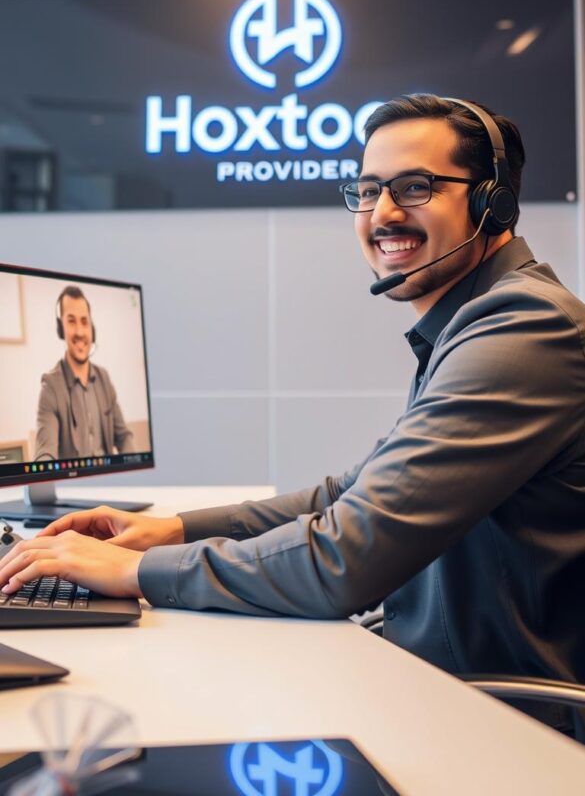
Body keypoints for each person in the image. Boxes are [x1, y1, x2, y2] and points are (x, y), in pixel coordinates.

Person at [3, 95, 585, 737]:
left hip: (498, 726)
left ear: (491, 202)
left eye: (414, 187)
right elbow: (348, 494)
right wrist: (167, 532)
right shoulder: (472, 326)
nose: (383, 213)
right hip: (438, 687)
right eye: (367, 191)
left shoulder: (523, 330)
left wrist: (132, 572)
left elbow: (347, 558)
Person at [35, 285, 135, 460]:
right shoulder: (50, 386)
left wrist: (134, 466)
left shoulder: (104, 378)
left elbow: (123, 436)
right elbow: (45, 452)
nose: (80, 332)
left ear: (92, 329)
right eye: (71, 321)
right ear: (61, 329)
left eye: (84, 321)